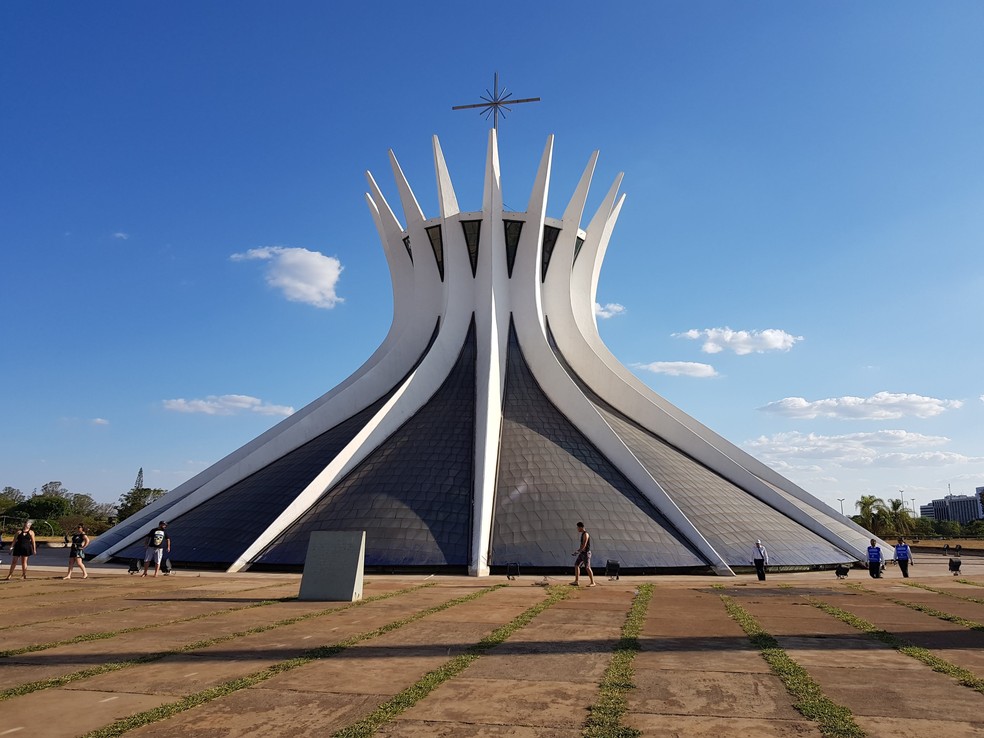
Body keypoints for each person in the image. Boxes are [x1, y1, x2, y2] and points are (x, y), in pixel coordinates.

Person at [571, 521, 595, 587]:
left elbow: (584, 544)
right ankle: (576, 581)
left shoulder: (585, 534)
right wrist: (577, 551)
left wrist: (579, 551)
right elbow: (582, 546)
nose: (577, 529)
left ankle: (593, 582)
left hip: (586, 553)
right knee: (576, 565)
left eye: (578, 528)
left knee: (587, 567)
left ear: (581, 527)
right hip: (582, 553)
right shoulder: (582, 534)